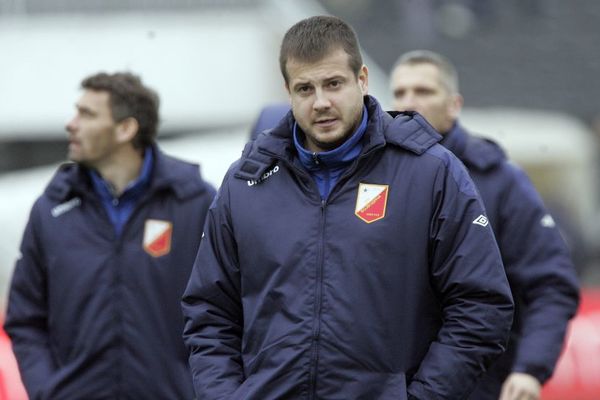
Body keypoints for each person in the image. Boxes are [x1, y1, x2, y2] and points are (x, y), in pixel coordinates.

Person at [182, 16, 514, 400]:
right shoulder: (245, 182)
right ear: (288, 92)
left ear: (363, 79)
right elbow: (209, 313)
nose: (321, 102)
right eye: (305, 89)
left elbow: (481, 306)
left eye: (333, 84)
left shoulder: (430, 172)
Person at [4, 72, 216, 399]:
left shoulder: (195, 202)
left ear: (125, 129)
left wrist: (203, 389)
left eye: (87, 114)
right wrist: (47, 390)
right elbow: (25, 318)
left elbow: (228, 312)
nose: (71, 124)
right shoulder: (52, 208)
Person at [389, 50, 580, 400]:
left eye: (424, 91)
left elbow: (550, 284)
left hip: (478, 385)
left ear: (454, 105)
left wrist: (530, 368)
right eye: (399, 93)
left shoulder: (499, 180)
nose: (409, 103)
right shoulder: (374, 176)